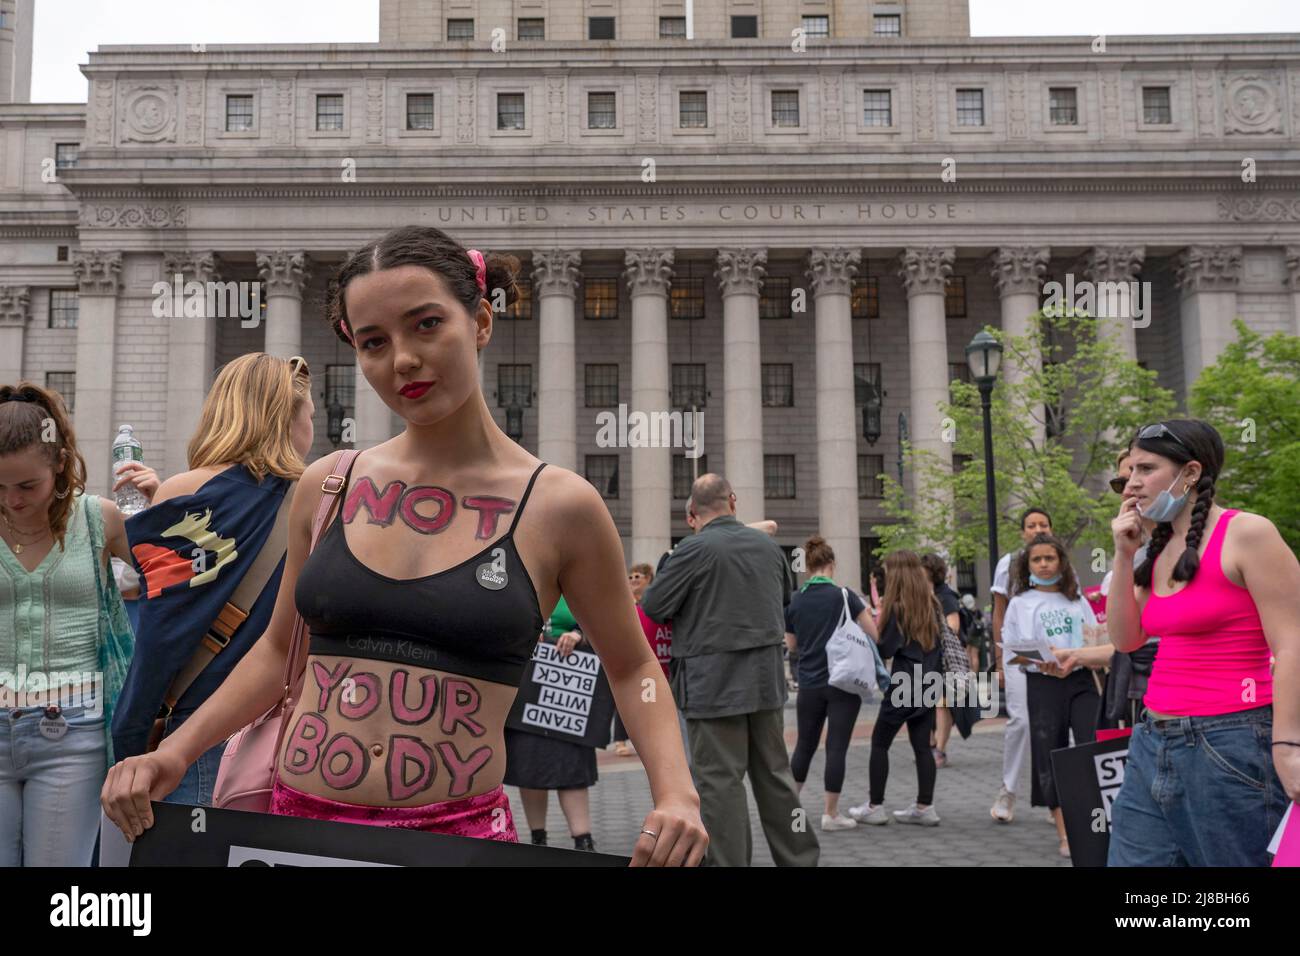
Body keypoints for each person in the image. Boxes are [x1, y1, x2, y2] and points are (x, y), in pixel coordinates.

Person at [102, 225, 706, 866]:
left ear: (480, 322)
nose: (403, 360)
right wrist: (175, 753)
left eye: (425, 325)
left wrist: (676, 793)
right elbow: (279, 651)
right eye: (373, 342)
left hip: (459, 840)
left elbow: (633, 667)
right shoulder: (326, 485)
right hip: (299, 836)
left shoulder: (561, 507)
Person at [111, 353, 315, 807]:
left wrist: (132, 728)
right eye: (310, 415)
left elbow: (163, 634)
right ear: (288, 419)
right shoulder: (318, 501)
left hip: (196, 730)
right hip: (289, 729)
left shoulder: (186, 492)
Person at [1105, 420, 1298, 866]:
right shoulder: (1156, 547)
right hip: (1153, 738)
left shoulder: (1248, 533)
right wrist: (1122, 554)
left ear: (1189, 473)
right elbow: (1126, 639)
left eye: (1145, 468)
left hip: (1232, 741)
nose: (1131, 483)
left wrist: (1288, 745)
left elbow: (1292, 644)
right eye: (1128, 471)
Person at [0, 381, 158, 866]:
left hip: (71, 732)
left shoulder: (97, 519)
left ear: (61, 465)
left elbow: (175, 582)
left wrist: (160, 505)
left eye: (28, 485)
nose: (12, 500)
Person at [641, 473, 819, 867]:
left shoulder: (690, 551)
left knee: (721, 786)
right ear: (734, 502)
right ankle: (801, 859)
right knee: (776, 778)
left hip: (711, 686)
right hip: (766, 682)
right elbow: (784, 600)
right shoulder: (769, 548)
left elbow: (653, 606)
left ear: (692, 514)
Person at [1002, 533, 1100, 858]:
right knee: (1051, 755)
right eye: (1037, 560)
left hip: (1081, 680)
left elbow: (1093, 639)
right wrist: (1039, 661)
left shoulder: (1076, 599)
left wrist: (1076, 656)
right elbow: (1011, 650)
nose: (1044, 565)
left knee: (1090, 746)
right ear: (1026, 565)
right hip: (1043, 685)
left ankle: (1096, 823)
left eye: (1050, 558)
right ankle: (1064, 833)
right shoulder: (1019, 603)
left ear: (1061, 562)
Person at [784, 535, 878, 831]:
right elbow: (873, 633)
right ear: (831, 565)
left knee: (804, 746)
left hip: (810, 684)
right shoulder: (845, 596)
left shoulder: (796, 600)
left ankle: (788, 810)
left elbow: (792, 644)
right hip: (843, 682)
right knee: (836, 746)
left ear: (808, 567)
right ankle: (831, 814)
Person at [847, 550, 944, 826]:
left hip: (906, 679)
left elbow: (887, 648)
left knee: (880, 742)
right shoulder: (931, 602)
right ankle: (925, 807)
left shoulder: (897, 605)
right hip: (930, 677)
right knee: (922, 745)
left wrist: (871, 624)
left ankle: (875, 805)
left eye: (888, 571)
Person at [505, 595, 602, 851]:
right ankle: (538, 839)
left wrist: (578, 634)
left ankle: (583, 840)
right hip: (526, 688)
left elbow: (602, 620)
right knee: (529, 762)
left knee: (571, 763)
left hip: (567, 688)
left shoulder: (578, 583)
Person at [989, 506, 1053, 823]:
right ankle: (1008, 791)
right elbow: (998, 611)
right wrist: (999, 658)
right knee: (1021, 721)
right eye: (1031, 525)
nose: (1037, 529)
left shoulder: (1061, 565)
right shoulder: (1009, 564)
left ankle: (1056, 796)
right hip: (1018, 650)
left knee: (1056, 724)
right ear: (1022, 531)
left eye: (1043, 524)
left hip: (1055, 652)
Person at [921, 552, 963, 768]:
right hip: (927, 658)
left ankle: (940, 749)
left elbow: (953, 626)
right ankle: (931, 745)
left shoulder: (945, 596)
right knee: (929, 703)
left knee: (941, 705)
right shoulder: (923, 594)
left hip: (944, 659)